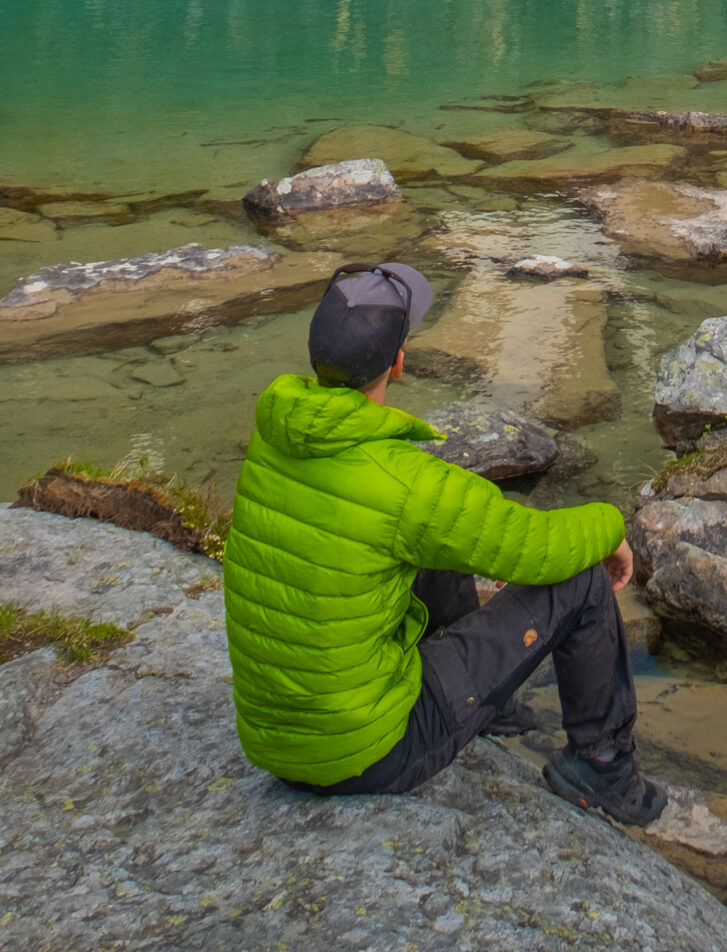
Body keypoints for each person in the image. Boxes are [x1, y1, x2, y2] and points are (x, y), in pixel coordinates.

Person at [221, 259, 665, 823]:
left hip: (275, 746)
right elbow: (537, 545)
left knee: (434, 541)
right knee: (578, 578)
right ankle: (605, 767)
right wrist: (611, 527)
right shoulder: (404, 481)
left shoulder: (275, 437)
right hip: (372, 754)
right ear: (398, 364)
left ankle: (490, 708)